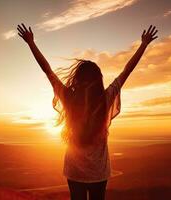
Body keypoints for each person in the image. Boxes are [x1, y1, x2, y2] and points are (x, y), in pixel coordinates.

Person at [17, 23, 158, 200]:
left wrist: (31, 43)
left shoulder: (69, 99)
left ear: (78, 79)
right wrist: (144, 45)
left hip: (74, 171)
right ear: (98, 80)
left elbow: (48, 71)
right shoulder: (105, 99)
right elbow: (126, 71)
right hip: (99, 172)